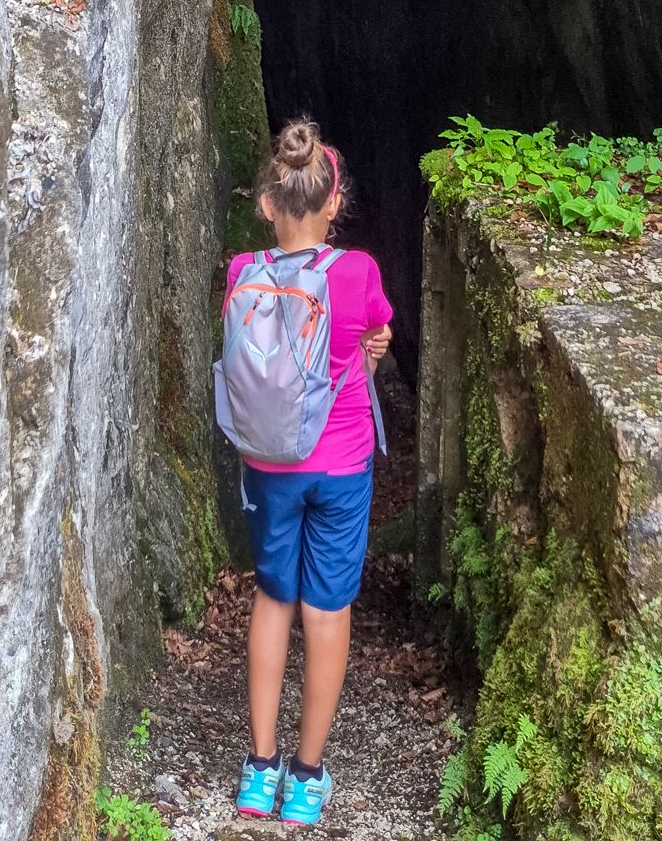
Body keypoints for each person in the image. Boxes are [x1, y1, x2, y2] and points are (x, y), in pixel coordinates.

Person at [224, 118, 393, 828]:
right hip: (341, 465)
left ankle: (259, 771)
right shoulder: (357, 273)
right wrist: (371, 352)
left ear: (267, 204)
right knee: (326, 610)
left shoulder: (240, 273)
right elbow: (374, 334)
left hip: (268, 464)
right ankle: (308, 775)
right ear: (335, 204)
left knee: (273, 600)